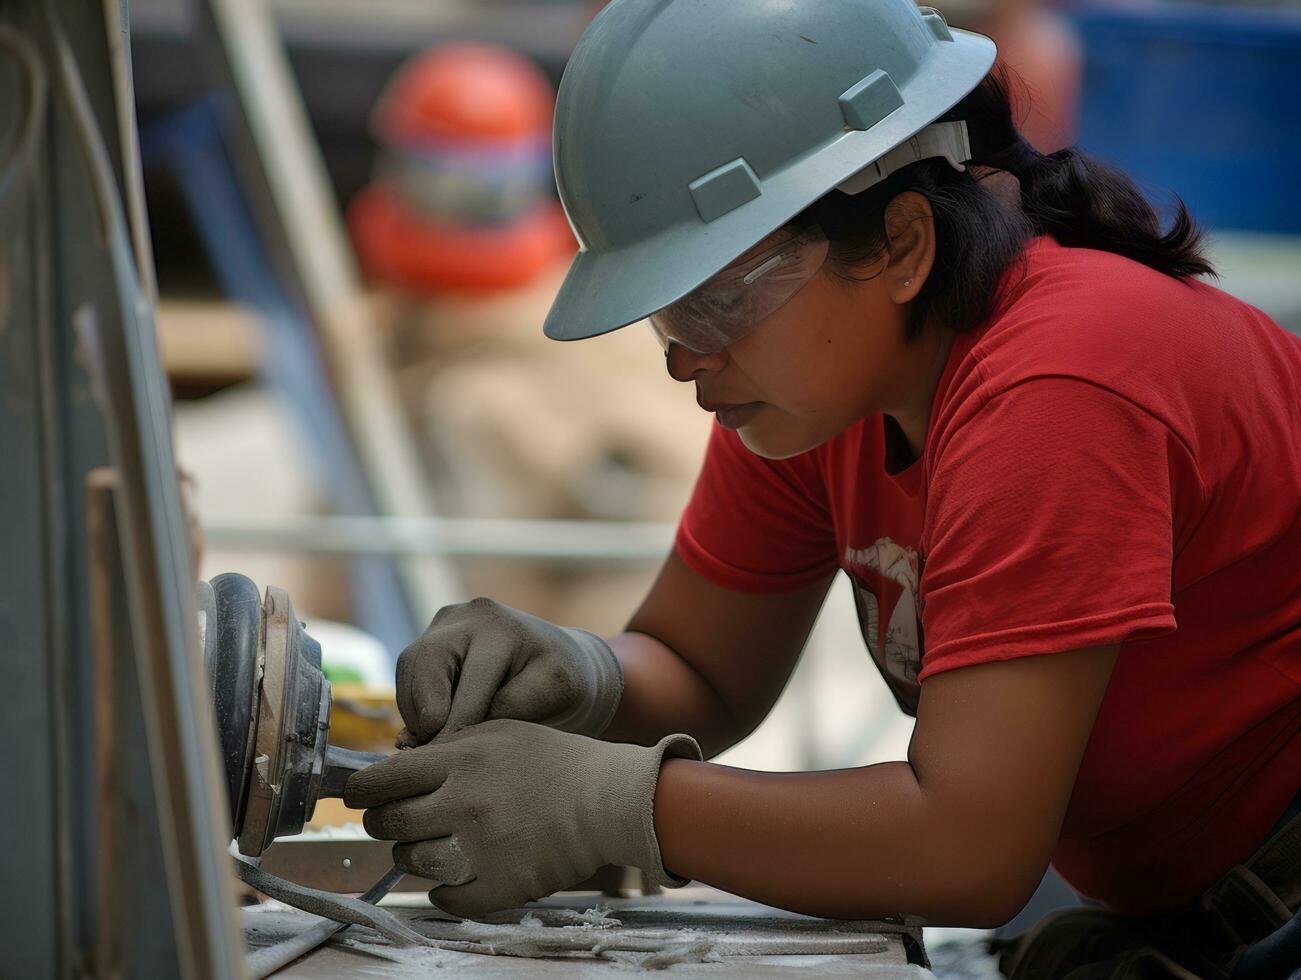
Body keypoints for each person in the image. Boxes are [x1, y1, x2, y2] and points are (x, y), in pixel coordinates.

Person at [345, 1, 1301, 975]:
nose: (685, 360)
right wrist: (573, 674)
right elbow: (701, 668)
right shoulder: (828, 381)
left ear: (899, 242)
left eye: (715, 299)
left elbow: (966, 845)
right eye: (664, 314)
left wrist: (608, 801)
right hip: (1200, 902)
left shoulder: (1059, 380)